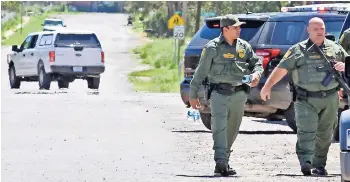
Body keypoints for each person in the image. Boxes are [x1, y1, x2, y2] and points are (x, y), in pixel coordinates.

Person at [260, 17, 348, 176]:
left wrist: (344, 66)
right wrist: (267, 86)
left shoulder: (336, 49)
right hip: (305, 99)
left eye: (322, 28)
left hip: (330, 99)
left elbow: (348, 66)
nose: (320, 31)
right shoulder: (297, 50)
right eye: (315, 29)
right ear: (308, 30)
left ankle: (319, 164)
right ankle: (306, 162)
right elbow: (282, 69)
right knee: (306, 131)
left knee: (326, 133)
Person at [189, 14, 263, 176]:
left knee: (233, 128)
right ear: (225, 29)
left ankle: (224, 160)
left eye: (239, 27)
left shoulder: (244, 47)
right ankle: (220, 160)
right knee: (219, 127)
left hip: (239, 93)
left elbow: (256, 64)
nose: (239, 30)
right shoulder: (212, 48)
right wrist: (193, 95)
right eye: (236, 27)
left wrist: (257, 74)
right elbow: (200, 73)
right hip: (219, 93)